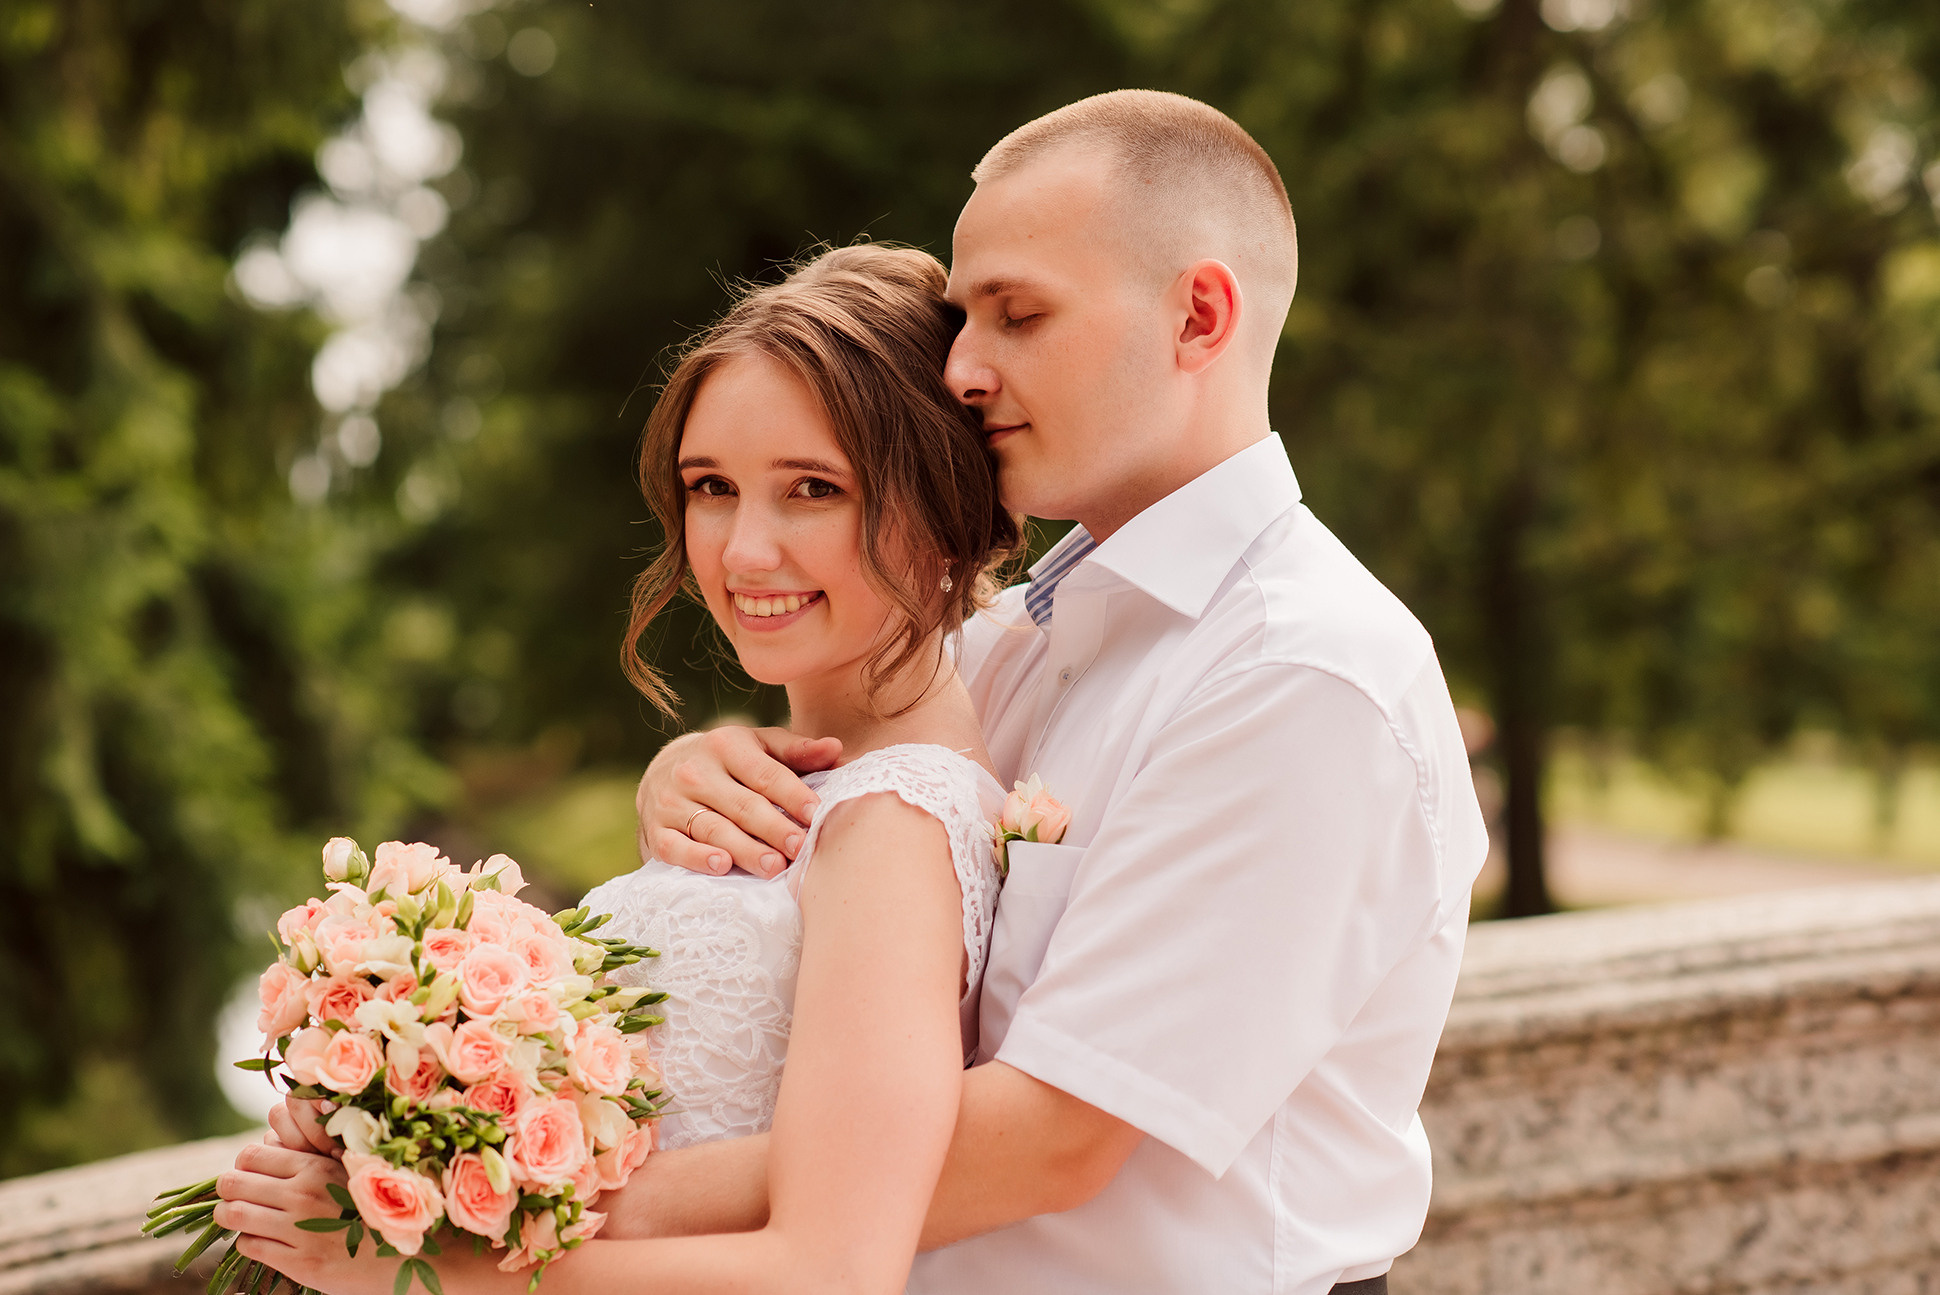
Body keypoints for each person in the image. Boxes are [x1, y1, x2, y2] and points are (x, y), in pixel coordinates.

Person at [624, 90, 1490, 1293]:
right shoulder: (1008, 641)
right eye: (961, 319)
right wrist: (703, 773)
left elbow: (1055, 1134)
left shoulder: (1299, 675)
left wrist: (559, 1197)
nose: (963, 370)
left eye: (1017, 315)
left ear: (1198, 314)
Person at [212, 244, 1029, 1295]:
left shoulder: (893, 828)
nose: (742, 550)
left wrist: (422, 1265)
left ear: (951, 501)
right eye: (712, 487)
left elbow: (830, 1265)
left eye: (812, 489)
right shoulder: (815, 793)